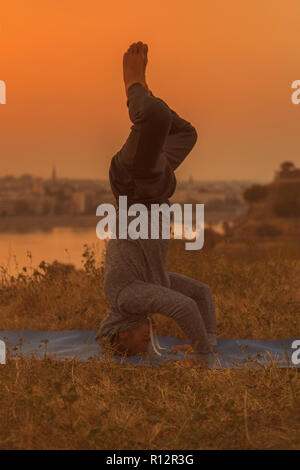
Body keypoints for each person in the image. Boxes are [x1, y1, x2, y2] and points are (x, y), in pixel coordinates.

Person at [96, 41, 217, 367]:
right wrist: (207, 343)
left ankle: (134, 85)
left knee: (155, 115)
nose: (149, 340)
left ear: (122, 334)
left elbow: (184, 308)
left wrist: (201, 357)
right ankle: (144, 94)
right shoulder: (151, 284)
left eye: (139, 346)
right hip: (154, 188)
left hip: (134, 186)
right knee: (186, 134)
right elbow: (200, 296)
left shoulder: (128, 298)